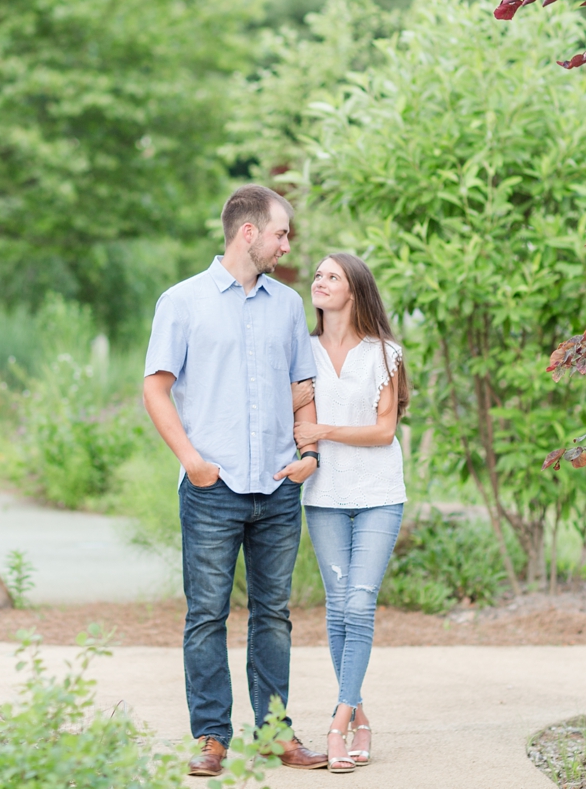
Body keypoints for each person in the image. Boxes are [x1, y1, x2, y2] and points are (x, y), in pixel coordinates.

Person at [143, 184, 329, 778]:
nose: (286, 243)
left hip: (277, 486)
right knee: (206, 615)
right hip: (211, 488)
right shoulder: (182, 301)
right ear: (248, 232)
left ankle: (274, 734)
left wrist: (309, 453)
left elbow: (304, 388)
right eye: (280, 232)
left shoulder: (288, 304)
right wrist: (193, 460)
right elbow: (155, 387)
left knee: (273, 615)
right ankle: (211, 738)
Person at [293, 252, 409, 774]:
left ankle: (337, 724)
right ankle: (360, 714)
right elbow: (297, 423)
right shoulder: (304, 353)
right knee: (338, 609)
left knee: (359, 607)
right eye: (317, 275)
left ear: (354, 291)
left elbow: (384, 432)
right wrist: (311, 438)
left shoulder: (385, 353)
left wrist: (325, 432)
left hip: (379, 492)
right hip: (323, 496)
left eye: (331, 276)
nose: (319, 282)